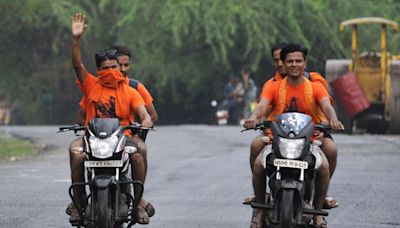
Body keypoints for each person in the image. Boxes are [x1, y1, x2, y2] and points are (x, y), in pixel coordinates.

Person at [244, 43, 344, 228]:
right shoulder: (273, 87)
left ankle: (317, 213)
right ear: (283, 63)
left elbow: (327, 106)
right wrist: (252, 117)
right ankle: (260, 210)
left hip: (310, 139)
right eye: (290, 61)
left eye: (298, 61)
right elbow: (262, 106)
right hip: (277, 139)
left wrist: (334, 120)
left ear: (305, 63)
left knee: (323, 167)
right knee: (259, 164)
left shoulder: (315, 87)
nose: (294, 64)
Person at [68, 13, 153, 225]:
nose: (111, 72)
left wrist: (146, 120)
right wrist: (76, 39)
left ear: (120, 67)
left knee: (139, 155)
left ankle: (137, 203)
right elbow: (77, 65)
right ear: (98, 71)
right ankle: (78, 205)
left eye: (114, 67)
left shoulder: (130, 90)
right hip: (92, 139)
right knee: (75, 153)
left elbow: (143, 112)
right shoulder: (91, 85)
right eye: (105, 69)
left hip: (123, 138)